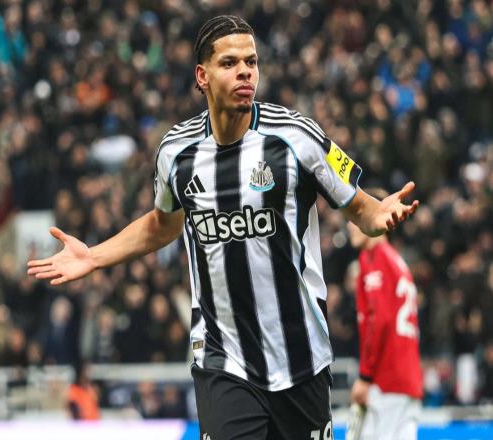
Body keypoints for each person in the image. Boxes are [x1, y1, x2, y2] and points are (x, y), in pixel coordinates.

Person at [28, 15, 418, 440]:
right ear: (203, 75)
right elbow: (161, 225)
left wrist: (380, 215)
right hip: (223, 357)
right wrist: (94, 256)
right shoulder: (176, 152)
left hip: (301, 356)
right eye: (230, 63)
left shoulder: (296, 137)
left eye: (251, 61)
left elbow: (362, 209)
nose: (245, 72)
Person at [347, 188, 423, 440]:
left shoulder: (374, 260)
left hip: (385, 380)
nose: (349, 226)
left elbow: (380, 321)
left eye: (354, 217)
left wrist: (365, 376)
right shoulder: (396, 261)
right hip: (407, 379)